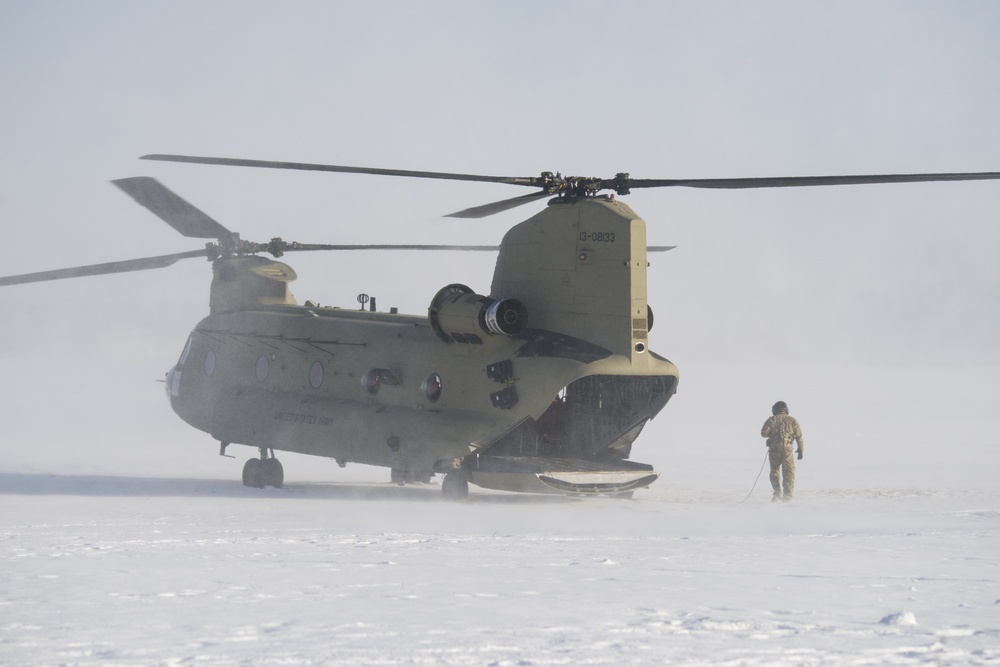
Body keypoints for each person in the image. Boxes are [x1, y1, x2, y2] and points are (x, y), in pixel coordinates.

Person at [760, 401, 804, 502]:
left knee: (775, 472)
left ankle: (777, 494)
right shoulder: (793, 420)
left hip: (774, 450)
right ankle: (787, 497)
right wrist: (801, 450)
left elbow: (763, 433)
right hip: (788, 450)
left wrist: (771, 437)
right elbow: (799, 437)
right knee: (789, 472)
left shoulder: (772, 419)